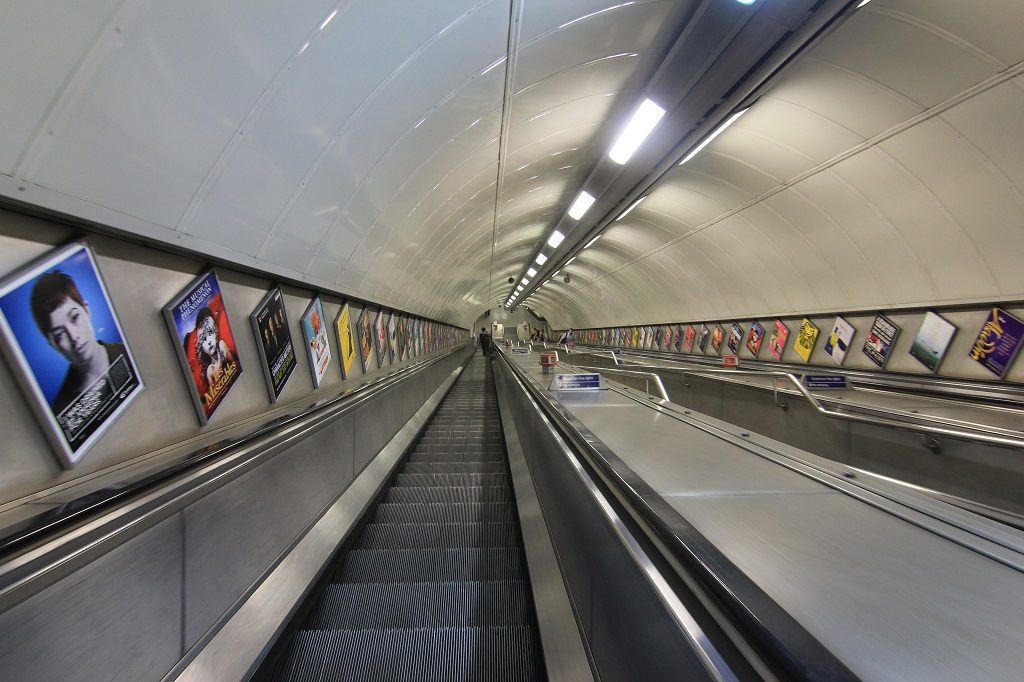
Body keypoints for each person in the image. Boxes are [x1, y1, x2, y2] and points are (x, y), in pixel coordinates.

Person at [30, 270, 129, 416]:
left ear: (87, 310)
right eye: (59, 334)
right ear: (53, 345)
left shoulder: (129, 353)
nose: (73, 337)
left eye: (75, 317)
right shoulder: (62, 410)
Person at [194, 306, 237, 393]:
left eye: (210, 333)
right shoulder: (209, 371)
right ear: (201, 347)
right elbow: (216, 394)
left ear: (215, 331)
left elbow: (236, 365)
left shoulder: (221, 345)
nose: (209, 342)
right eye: (204, 339)